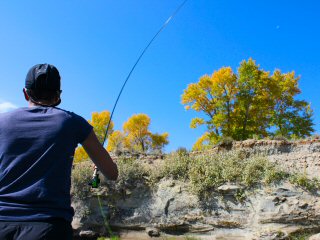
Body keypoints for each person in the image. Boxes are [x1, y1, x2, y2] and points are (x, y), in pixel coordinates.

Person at [0, 64, 118, 240]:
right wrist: (99, 166)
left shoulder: (2, 121)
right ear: (58, 96)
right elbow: (112, 173)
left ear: (25, 93)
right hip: (49, 227)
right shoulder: (73, 123)